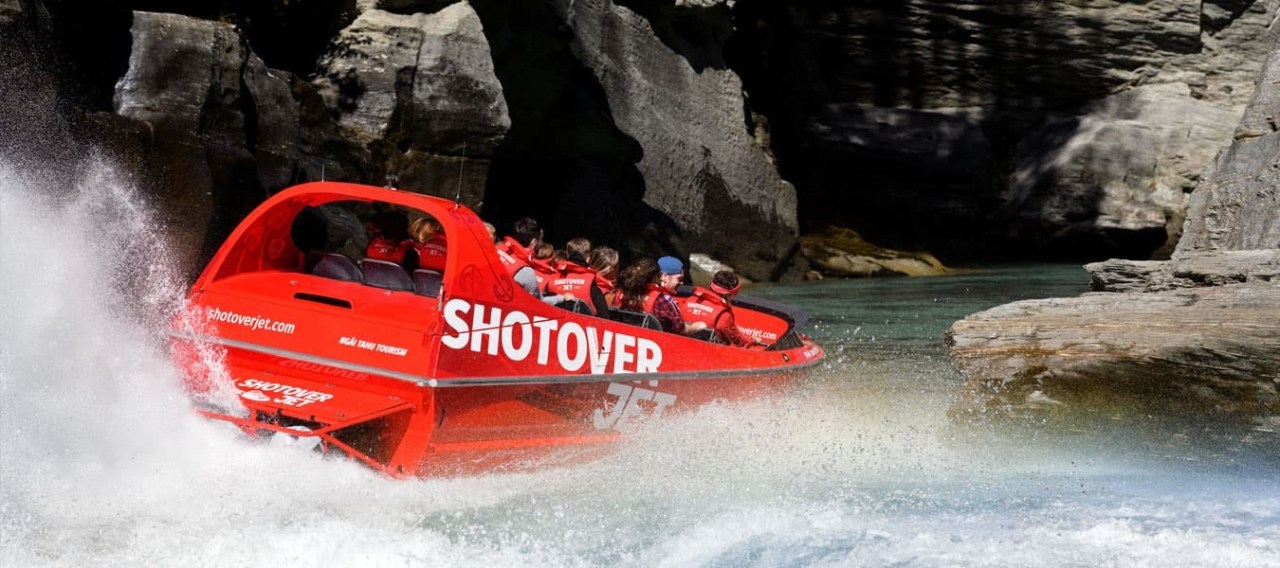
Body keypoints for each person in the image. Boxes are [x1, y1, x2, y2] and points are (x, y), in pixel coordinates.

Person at [618, 256, 706, 336]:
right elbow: (679, 329)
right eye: (679, 279)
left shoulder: (623, 293)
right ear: (664, 276)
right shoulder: (662, 300)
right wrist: (696, 327)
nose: (682, 283)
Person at [679, 270, 765, 348]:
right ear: (730, 294)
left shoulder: (689, 300)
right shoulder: (723, 315)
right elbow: (738, 341)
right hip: (709, 354)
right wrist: (753, 341)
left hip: (682, 346)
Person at [545, 237, 611, 317]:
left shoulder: (552, 278)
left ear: (567, 255)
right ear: (588, 259)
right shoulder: (591, 285)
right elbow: (605, 318)